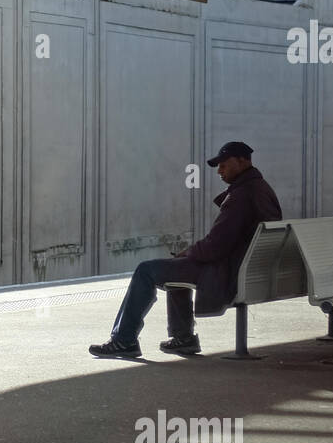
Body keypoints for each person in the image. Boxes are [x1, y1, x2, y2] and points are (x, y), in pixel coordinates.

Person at [90, 141, 282, 359]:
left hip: (226, 272)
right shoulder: (261, 189)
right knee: (175, 268)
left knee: (146, 270)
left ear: (242, 161)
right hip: (246, 269)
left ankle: (124, 340)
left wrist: (188, 252)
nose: (219, 170)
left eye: (224, 165)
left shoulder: (241, 196)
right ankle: (183, 338)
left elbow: (215, 246)